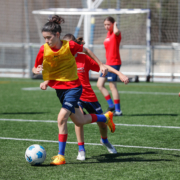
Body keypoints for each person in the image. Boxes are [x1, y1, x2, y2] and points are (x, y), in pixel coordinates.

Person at [32, 15, 116, 166]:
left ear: (57, 35)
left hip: (74, 88)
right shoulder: (43, 49)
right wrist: (37, 71)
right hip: (60, 91)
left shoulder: (69, 46)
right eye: (44, 38)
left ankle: (61, 156)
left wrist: (101, 64)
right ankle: (105, 118)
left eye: (49, 38)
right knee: (80, 120)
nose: (46, 41)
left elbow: (86, 50)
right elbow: (35, 67)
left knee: (61, 117)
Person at [61, 34, 129, 160]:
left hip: (90, 96)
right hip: (75, 96)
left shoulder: (84, 58)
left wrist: (120, 73)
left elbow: (103, 66)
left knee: (102, 125)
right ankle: (81, 149)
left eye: (71, 45)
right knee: (78, 120)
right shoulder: (63, 60)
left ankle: (104, 140)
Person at [97, 16, 124, 116]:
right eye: (105, 25)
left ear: (113, 24)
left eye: (109, 24)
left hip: (114, 63)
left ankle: (118, 110)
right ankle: (111, 105)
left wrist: (116, 25)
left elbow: (116, 32)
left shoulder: (116, 33)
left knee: (112, 86)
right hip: (107, 63)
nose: (107, 26)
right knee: (100, 85)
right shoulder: (108, 34)